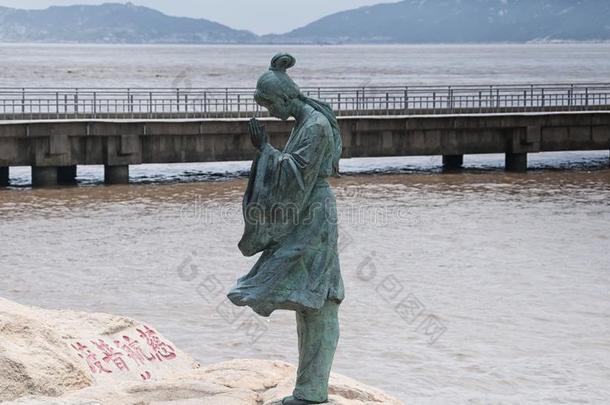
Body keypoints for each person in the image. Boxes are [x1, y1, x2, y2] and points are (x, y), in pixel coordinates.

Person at [227, 53, 344, 405]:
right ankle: (309, 390)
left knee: (320, 299)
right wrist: (269, 152)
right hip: (308, 211)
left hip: (313, 216)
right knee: (312, 299)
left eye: (270, 105)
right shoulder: (307, 121)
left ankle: (313, 391)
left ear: (284, 99)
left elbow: (296, 176)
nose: (270, 113)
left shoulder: (315, 126)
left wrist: (265, 150)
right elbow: (295, 171)